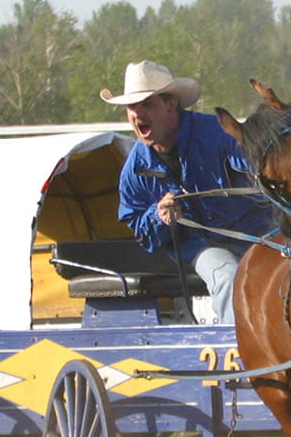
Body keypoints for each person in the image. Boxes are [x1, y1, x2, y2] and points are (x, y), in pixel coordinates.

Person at [103, 60, 272, 325]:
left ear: (171, 104)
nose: (137, 114)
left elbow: (261, 170)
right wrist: (159, 217)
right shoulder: (134, 170)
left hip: (259, 235)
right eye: (131, 107)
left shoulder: (220, 134)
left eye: (147, 104)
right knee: (228, 276)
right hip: (201, 248)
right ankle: (238, 357)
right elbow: (141, 231)